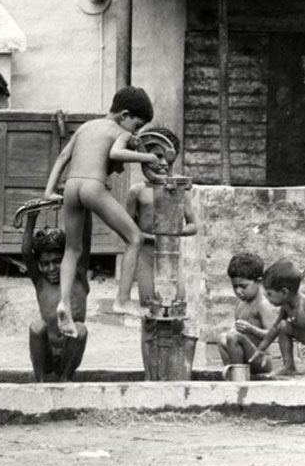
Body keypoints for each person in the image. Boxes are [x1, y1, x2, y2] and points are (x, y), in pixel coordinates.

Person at [44, 86, 159, 335]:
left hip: (71, 188)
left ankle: (63, 302)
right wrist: (148, 158)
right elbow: (115, 152)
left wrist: (50, 190)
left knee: (72, 250)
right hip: (92, 188)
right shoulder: (119, 131)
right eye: (136, 125)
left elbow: (64, 155)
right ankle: (123, 299)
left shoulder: (86, 126)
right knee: (134, 237)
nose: (135, 132)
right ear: (124, 115)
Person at [125, 126, 197, 311]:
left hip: (172, 257)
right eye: (157, 156)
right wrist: (152, 238)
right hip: (147, 258)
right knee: (149, 309)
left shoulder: (179, 188)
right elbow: (126, 230)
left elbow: (193, 226)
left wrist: (172, 233)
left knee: (178, 307)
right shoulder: (137, 191)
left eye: (168, 157)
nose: (163, 163)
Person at [21, 208, 92, 381]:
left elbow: (85, 240)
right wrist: (31, 218)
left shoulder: (78, 277)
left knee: (80, 329)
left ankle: (65, 379)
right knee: (36, 327)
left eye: (57, 262)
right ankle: (40, 382)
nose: (51, 268)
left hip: (69, 354)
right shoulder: (40, 283)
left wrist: (84, 208)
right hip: (45, 356)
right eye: (45, 264)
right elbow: (26, 253)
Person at [217, 253, 276, 376]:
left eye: (243, 286)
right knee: (222, 337)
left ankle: (238, 377)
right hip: (245, 357)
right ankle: (233, 372)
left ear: (259, 282)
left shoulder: (262, 305)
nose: (238, 291)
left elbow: (272, 334)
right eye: (235, 287)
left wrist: (252, 330)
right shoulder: (240, 305)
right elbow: (238, 334)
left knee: (233, 337)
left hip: (261, 360)